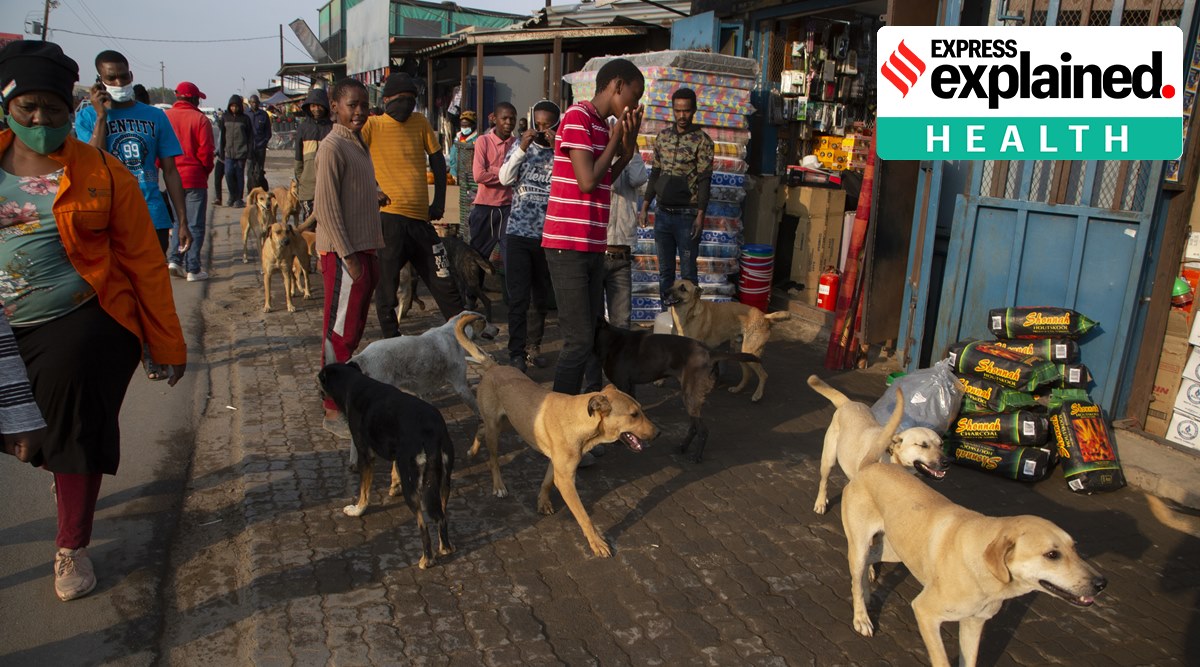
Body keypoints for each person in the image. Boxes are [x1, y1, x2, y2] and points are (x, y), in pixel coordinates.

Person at [0, 40, 188, 601]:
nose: (40, 119)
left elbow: (145, 263)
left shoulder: (104, 173)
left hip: (81, 315)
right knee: (36, 433)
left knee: (76, 421)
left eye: (53, 108)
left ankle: (71, 545)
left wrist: (166, 343)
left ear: (70, 108)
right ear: (6, 106)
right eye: (28, 107)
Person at [542, 58, 643, 395]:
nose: (635, 105)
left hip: (591, 245)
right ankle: (559, 415)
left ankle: (580, 406)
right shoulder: (578, 117)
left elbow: (602, 182)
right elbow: (587, 181)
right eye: (634, 95)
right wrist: (617, 139)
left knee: (590, 336)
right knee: (578, 340)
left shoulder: (601, 125)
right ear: (617, 85)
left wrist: (626, 151)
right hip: (567, 244)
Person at [360, 72, 462, 338]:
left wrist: (439, 201)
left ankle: (464, 335)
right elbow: (352, 161)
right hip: (389, 219)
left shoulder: (420, 122)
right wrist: (372, 190)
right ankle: (392, 342)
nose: (406, 104)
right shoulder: (373, 125)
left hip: (420, 220)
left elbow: (437, 160)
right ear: (386, 100)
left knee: (444, 280)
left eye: (411, 99)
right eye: (400, 99)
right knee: (387, 288)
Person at [314, 78, 386, 437]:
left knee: (353, 329)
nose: (359, 111)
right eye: (352, 105)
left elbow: (350, 191)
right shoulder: (332, 147)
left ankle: (341, 395)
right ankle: (332, 409)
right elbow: (326, 207)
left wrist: (374, 193)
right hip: (346, 253)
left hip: (364, 247)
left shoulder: (356, 142)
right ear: (335, 107)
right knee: (339, 333)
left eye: (364, 105)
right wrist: (348, 257)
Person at [74, 50, 191, 260]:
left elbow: (171, 172)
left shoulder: (155, 116)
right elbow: (93, 161)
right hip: (107, 218)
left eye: (124, 76)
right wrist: (101, 116)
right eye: (111, 78)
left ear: (131, 75)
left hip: (151, 216)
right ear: (100, 81)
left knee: (152, 278)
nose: (119, 82)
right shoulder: (87, 117)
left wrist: (182, 221)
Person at [498, 100, 559, 373]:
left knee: (540, 298)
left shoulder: (562, 151)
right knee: (518, 297)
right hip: (519, 234)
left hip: (547, 237)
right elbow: (504, 178)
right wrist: (522, 147)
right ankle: (516, 353)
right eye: (539, 124)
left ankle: (533, 347)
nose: (542, 131)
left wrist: (558, 148)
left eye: (548, 126)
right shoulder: (521, 146)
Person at [639, 87, 714, 302]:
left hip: (686, 216)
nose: (682, 115)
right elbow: (655, 173)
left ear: (694, 110)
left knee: (688, 274)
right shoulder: (663, 137)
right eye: (678, 110)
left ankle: (691, 319)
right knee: (665, 273)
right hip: (662, 214)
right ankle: (668, 317)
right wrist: (645, 205)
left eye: (686, 111)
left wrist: (700, 214)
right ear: (672, 110)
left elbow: (704, 180)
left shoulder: (702, 141)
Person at [165, 81, 216, 282]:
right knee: (194, 224)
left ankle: (174, 260)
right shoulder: (200, 119)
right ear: (193, 99)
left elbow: (159, 150)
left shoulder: (166, 117)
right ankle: (193, 268)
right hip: (194, 177)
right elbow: (206, 152)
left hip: (172, 177)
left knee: (179, 220)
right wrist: (204, 171)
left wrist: (164, 168)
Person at [602, 148, 648, 329]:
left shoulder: (632, 161)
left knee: (621, 320)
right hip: (598, 253)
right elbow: (609, 183)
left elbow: (638, 179)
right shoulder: (601, 158)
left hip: (621, 255)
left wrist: (633, 151)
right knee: (594, 317)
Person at [469, 102, 516, 261]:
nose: (508, 122)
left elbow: (519, 176)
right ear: (495, 119)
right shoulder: (483, 141)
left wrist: (493, 171)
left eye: (512, 119)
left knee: (511, 257)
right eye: (504, 118)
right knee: (478, 258)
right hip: (485, 208)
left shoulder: (517, 144)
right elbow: (479, 175)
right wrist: (506, 176)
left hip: (509, 208)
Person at [293, 87, 333, 220]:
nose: (316, 109)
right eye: (313, 106)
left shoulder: (332, 128)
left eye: (320, 106)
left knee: (327, 223)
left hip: (328, 188)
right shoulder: (303, 128)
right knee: (309, 224)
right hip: (308, 189)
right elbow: (298, 160)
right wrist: (302, 180)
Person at [218, 95, 252, 208]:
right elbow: (222, 136)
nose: (234, 108)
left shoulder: (245, 119)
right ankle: (232, 196)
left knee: (239, 175)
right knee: (228, 174)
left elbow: (250, 137)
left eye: (236, 106)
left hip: (241, 152)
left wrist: (249, 151)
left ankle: (238, 199)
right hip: (228, 152)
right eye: (232, 106)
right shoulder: (225, 117)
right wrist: (221, 151)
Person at [245, 94, 271, 192]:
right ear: (249, 103)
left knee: (259, 171)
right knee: (250, 170)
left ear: (259, 103)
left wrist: (264, 142)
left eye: (256, 102)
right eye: (252, 102)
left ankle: (259, 190)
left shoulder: (264, 115)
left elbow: (268, 131)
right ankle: (250, 191)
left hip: (260, 148)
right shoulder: (246, 114)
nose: (254, 104)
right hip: (249, 147)